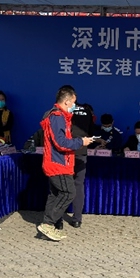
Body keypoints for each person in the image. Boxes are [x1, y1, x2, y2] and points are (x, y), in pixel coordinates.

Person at [38, 86, 96, 242]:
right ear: (67, 101)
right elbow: (60, 143)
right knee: (69, 192)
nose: (75, 106)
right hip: (58, 163)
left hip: (58, 161)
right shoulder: (57, 116)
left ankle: (48, 225)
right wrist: (80, 142)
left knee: (55, 194)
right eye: (73, 103)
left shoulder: (57, 116)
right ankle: (48, 224)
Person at [61, 93, 96, 230]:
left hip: (64, 152)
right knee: (78, 185)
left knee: (62, 184)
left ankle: (58, 219)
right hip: (81, 151)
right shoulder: (87, 111)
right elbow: (91, 131)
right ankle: (77, 219)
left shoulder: (61, 111)